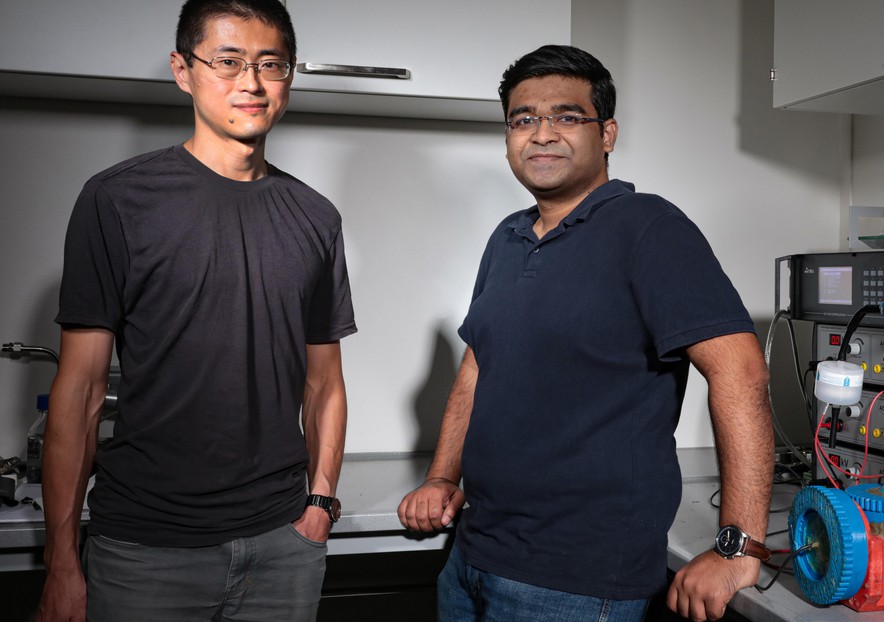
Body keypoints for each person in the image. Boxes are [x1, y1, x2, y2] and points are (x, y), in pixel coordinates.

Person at [398, 44, 773, 622]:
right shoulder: (508, 237)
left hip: (576, 581)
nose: (541, 134)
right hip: (471, 554)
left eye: (566, 116)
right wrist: (443, 476)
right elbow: (478, 367)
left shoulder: (650, 227)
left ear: (608, 134)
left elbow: (739, 369)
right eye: (523, 120)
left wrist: (739, 545)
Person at [36, 1, 356, 620]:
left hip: (283, 544)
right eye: (229, 61)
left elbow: (325, 385)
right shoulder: (117, 200)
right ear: (183, 70)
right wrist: (63, 562)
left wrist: (319, 506)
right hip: (145, 551)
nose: (252, 83)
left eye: (272, 64)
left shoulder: (317, 218)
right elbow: (79, 392)